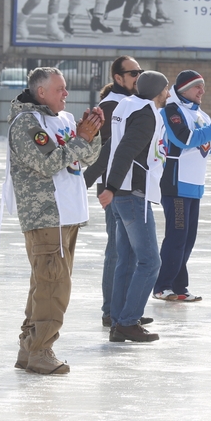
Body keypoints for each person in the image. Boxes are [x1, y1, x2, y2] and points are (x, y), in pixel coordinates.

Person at [3, 67, 103, 375]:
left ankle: (29, 347)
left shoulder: (65, 120)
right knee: (53, 286)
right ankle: (41, 350)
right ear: (41, 92)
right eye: (60, 89)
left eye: (65, 88)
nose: (66, 94)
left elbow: (85, 158)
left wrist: (91, 134)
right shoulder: (26, 124)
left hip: (68, 214)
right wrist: (81, 140)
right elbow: (48, 164)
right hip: (46, 214)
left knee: (45, 284)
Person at [153, 70, 211, 301]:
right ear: (182, 89)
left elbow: (210, 146)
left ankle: (179, 286)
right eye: (197, 86)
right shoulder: (171, 111)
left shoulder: (200, 114)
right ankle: (162, 286)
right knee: (177, 237)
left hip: (194, 186)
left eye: (203, 86)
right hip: (176, 184)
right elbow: (184, 139)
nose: (202, 90)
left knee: (188, 238)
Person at [99, 71, 171, 342]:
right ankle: (128, 321)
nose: (167, 93)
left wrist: (102, 181)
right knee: (150, 261)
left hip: (123, 194)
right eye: (165, 89)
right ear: (157, 91)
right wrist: (111, 187)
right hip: (132, 195)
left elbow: (112, 147)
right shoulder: (145, 113)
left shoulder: (127, 106)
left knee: (127, 260)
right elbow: (125, 150)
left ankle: (119, 320)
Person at [83, 56, 141, 328]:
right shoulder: (111, 106)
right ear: (118, 77)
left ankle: (123, 308)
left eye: (140, 72)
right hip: (114, 189)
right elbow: (102, 152)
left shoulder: (132, 103)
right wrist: (96, 184)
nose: (137, 77)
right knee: (117, 250)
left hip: (131, 186)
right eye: (133, 73)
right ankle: (111, 310)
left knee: (128, 251)